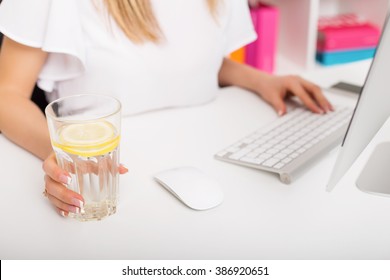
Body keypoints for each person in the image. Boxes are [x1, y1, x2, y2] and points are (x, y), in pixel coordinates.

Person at [0, 0, 332, 217]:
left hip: (211, 159)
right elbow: (7, 93)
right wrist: (60, 153)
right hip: (106, 179)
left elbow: (193, 64)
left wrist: (262, 81)